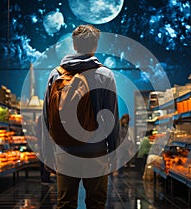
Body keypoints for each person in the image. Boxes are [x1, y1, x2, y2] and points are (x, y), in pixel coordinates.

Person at [42, 24, 119, 209]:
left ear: (74, 45)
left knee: (65, 203)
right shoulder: (105, 75)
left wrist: (47, 155)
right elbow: (111, 119)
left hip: (65, 151)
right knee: (96, 203)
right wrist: (114, 153)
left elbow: (47, 118)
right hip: (96, 152)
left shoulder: (55, 75)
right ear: (95, 45)